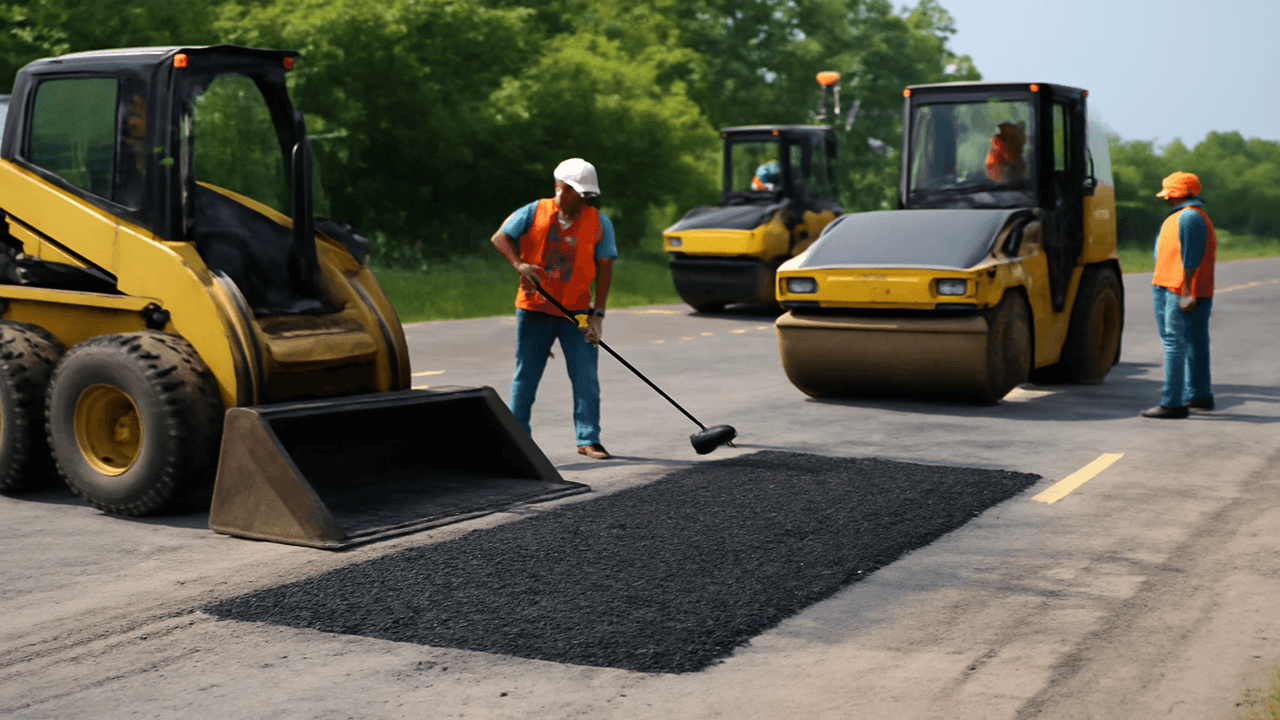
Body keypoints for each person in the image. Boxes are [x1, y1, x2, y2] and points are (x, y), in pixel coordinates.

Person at [490, 158, 618, 458]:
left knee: (586, 376)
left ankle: (588, 439)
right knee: (526, 376)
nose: (581, 199)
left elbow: (605, 268)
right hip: (534, 310)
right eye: (575, 192)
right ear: (559, 188)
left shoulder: (600, 223)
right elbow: (500, 237)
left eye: (586, 195)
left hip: (577, 313)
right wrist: (519, 264)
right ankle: (518, 438)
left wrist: (598, 316)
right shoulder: (534, 211)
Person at [1142, 171, 1217, 419]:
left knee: (1174, 343)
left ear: (1179, 194)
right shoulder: (1183, 216)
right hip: (1173, 285)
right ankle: (1199, 394)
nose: (1168, 199)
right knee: (1195, 341)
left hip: (1178, 289)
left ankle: (1172, 402)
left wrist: (1186, 290)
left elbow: (1191, 257)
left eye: (1170, 193)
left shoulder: (1189, 217)